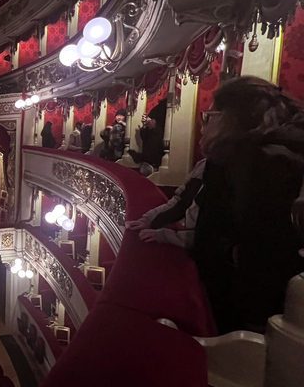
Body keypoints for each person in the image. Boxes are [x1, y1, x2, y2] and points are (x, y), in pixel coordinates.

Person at [128, 76, 304, 333]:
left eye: (208, 116)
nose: (204, 125)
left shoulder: (238, 161)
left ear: (227, 118)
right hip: (282, 303)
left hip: (246, 305)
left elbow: (212, 239)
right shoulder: (287, 150)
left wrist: (166, 236)